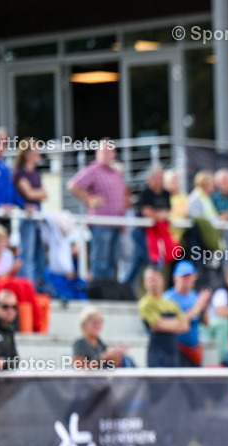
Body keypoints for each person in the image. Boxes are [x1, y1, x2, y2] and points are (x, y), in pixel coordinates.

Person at [67, 140, 127, 282]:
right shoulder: (93, 170)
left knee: (113, 262)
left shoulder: (115, 172)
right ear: (97, 153)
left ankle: (109, 291)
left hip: (116, 224)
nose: (107, 155)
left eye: (110, 152)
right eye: (104, 152)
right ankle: (99, 292)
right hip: (101, 224)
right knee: (100, 262)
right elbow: (72, 185)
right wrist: (88, 199)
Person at [0, 224, 42, 332]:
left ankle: (32, 322)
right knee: (14, 285)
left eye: (2, 240)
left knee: (26, 284)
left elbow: (7, 278)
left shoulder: (8, 255)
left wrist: (13, 271)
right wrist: (12, 270)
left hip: (2, 284)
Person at [139, 266, 190, 368]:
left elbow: (185, 326)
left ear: (162, 281)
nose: (154, 283)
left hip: (173, 351)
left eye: (156, 279)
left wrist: (167, 324)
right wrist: (176, 323)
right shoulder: (145, 303)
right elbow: (157, 325)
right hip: (157, 353)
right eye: (150, 280)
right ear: (145, 283)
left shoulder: (171, 303)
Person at [12, 140, 47, 288]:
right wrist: (36, 193)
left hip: (37, 215)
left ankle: (37, 285)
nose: (38, 153)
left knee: (39, 253)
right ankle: (27, 285)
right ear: (27, 154)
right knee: (27, 252)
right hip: (27, 217)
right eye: (35, 150)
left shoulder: (35, 173)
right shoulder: (19, 173)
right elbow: (30, 194)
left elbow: (43, 194)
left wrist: (35, 193)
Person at [164, 260, 212, 367]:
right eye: (184, 276)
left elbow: (206, 323)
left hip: (194, 350)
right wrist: (198, 306)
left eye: (189, 277)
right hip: (177, 350)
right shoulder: (168, 298)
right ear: (175, 277)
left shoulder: (195, 296)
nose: (186, 280)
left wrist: (205, 306)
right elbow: (177, 322)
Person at [137, 165, 178, 270]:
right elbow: (146, 211)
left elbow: (167, 211)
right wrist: (159, 215)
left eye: (161, 177)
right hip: (144, 233)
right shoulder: (145, 193)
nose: (160, 180)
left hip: (161, 233)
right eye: (158, 177)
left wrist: (156, 214)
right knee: (150, 261)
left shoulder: (166, 193)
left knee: (153, 261)